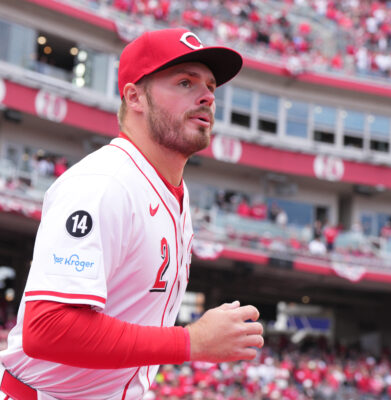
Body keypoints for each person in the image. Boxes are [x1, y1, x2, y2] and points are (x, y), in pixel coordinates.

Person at [0, 28, 264, 399]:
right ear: (134, 96)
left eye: (210, 87)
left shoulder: (175, 190)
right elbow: (48, 328)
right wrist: (190, 341)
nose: (206, 96)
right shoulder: (104, 182)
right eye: (185, 82)